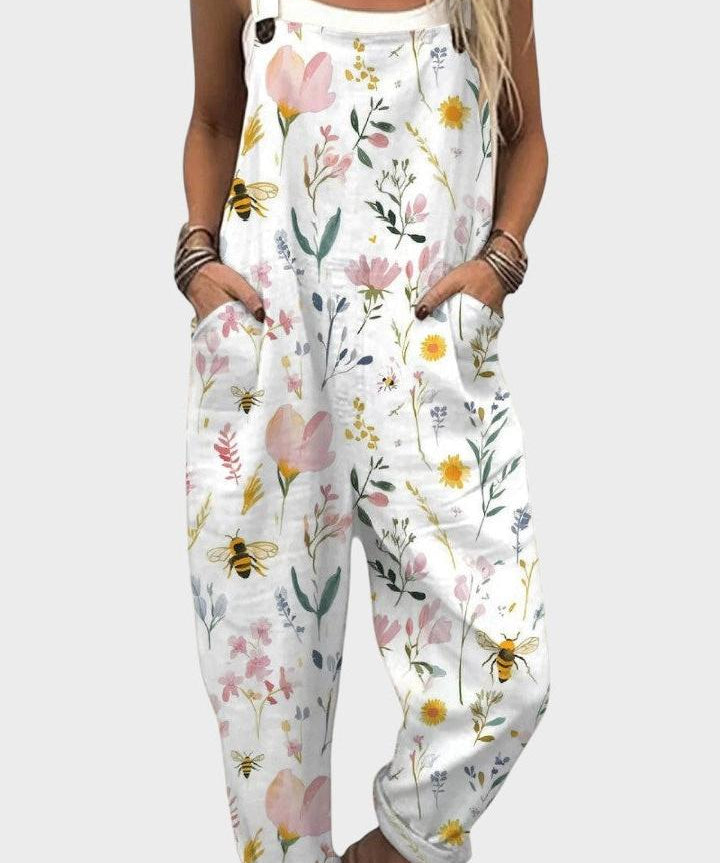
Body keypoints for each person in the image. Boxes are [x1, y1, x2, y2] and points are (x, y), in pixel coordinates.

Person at [177, 1, 550, 861]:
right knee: (269, 714)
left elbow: (526, 138)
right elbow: (212, 121)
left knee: (506, 671)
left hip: (426, 363)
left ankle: (401, 841)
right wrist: (195, 258)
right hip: (271, 357)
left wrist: (501, 262)